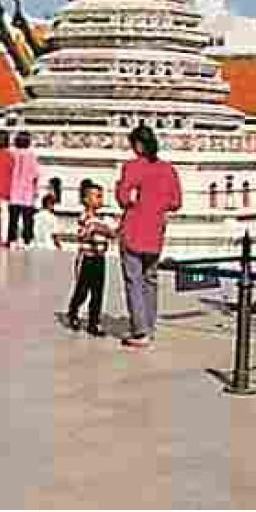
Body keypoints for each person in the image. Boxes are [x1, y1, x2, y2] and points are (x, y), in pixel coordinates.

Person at [115, 124, 181, 348]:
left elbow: (123, 198)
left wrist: (134, 199)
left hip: (133, 228)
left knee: (134, 280)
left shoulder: (132, 167)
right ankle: (149, 326)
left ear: (139, 145)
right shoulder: (168, 170)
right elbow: (175, 203)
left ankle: (140, 330)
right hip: (155, 230)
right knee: (150, 280)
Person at [67, 180, 115, 336]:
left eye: (101, 197)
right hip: (86, 258)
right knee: (82, 289)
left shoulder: (103, 218)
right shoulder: (85, 216)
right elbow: (87, 230)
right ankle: (73, 312)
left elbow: (112, 232)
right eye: (96, 196)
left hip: (99, 258)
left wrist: (103, 228)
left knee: (97, 292)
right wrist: (102, 228)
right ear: (86, 199)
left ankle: (94, 322)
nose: (99, 200)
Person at [7, 131, 42, 247]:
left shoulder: (11, 154)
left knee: (13, 219)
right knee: (27, 219)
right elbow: (36, 175)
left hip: (13, 192)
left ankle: (12, 239)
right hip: (27, 192)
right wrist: (36, 191)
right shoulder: (32, 155)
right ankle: (27, 240)